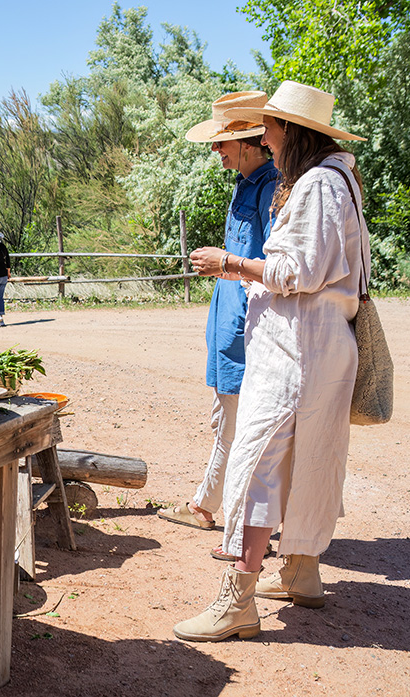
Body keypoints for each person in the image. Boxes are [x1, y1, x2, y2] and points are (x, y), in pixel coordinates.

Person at [174, 80, 368, 642]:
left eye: (272, 126)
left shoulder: (312, 187)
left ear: (292, 132)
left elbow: (294, 273)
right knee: (311, 459)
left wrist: (229, 262)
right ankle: (302, 571)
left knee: (257, 462)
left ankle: (238, 598)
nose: (266, 135)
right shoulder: (341, 183)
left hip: (295, 349)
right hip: (323, 344)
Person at [158, 92, 278, 564]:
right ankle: (211, 506)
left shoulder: (270, 189)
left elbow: (270, 266)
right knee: (226, 417)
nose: (217, 152)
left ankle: (218, 512)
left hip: (243, 322)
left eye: (223, 143)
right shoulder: (246, 183)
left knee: (237, 421)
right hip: (227, 317)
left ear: (250, 143)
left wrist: (224, 263)